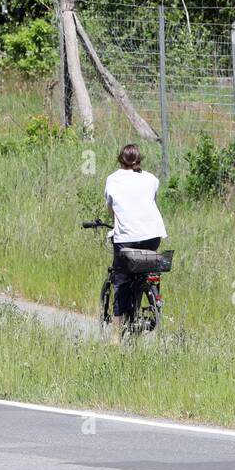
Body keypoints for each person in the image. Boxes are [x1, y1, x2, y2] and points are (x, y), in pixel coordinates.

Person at [104, 144, 167, 343]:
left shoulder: (113, 180)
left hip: (127, 239)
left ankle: (115, 337)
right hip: (153, 236)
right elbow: (150, 203)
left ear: (120, 160)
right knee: (145, 267)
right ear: (140, 159)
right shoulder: (151, 179)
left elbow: (111, 208)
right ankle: (148, 290)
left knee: (121, 281)